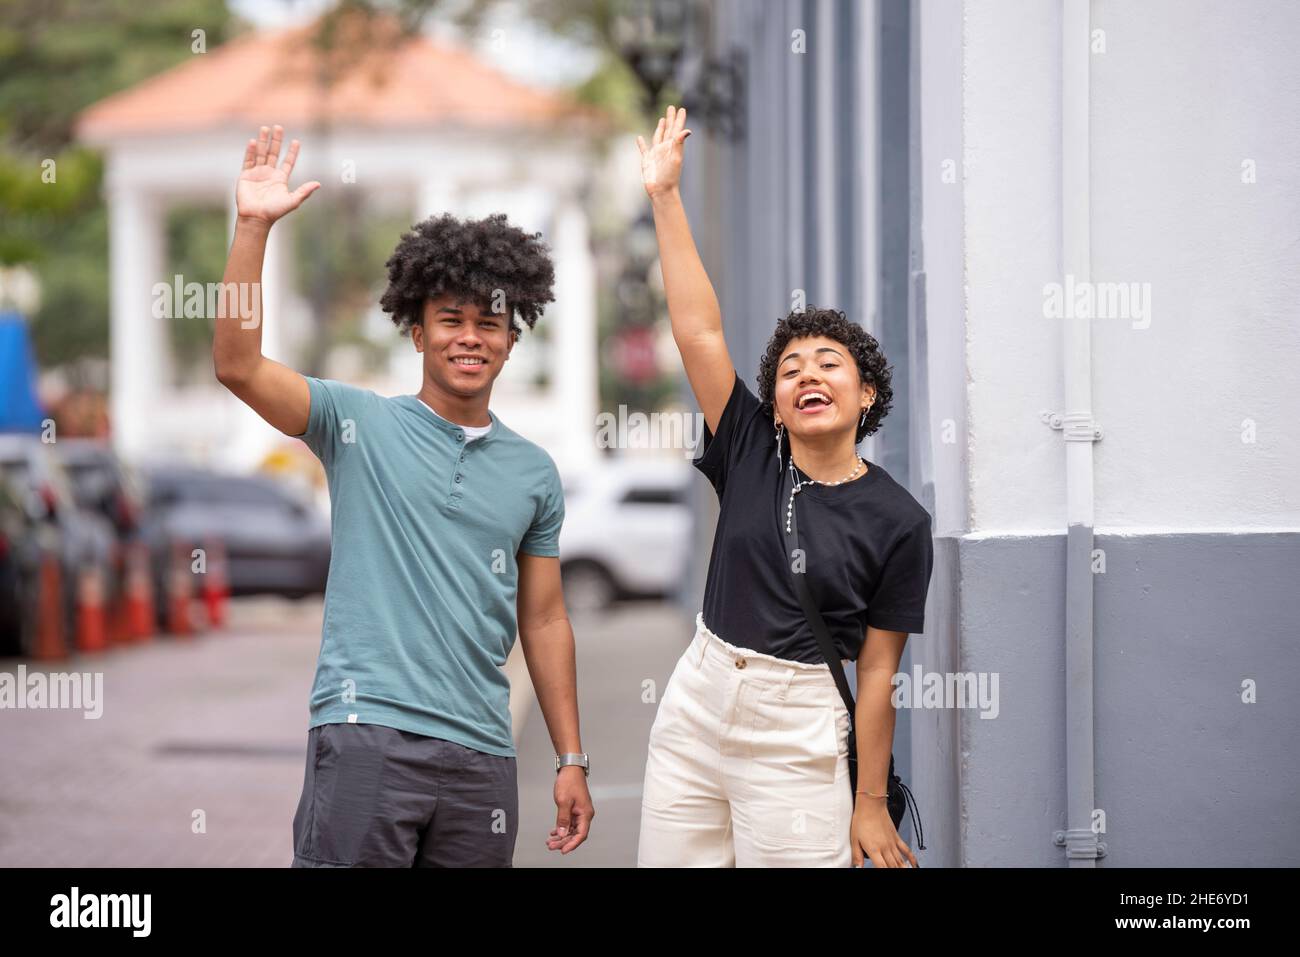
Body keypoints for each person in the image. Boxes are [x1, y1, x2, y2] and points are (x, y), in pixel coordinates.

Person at [214, 125, 593, 867]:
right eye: (450, 320)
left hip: (484, 752)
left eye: (490, 323)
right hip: (365, 733)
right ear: (416, 331)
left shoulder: (534, 472)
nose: (470, 338)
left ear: (513, 340)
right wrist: (253, 227)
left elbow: (545, 618)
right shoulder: (355, 422)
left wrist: (570, 756)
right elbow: (238, 365)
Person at [634, 105, 933, 867]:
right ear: (775, 401)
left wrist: (868, 804)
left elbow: (877, 672)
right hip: (698, 702)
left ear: (866, 395)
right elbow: (699, 331)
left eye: (830, 362)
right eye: (791, 367)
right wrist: (666, 197)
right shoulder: (748, 446)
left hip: (797, 730)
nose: (808, 373)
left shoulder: (899, 520)